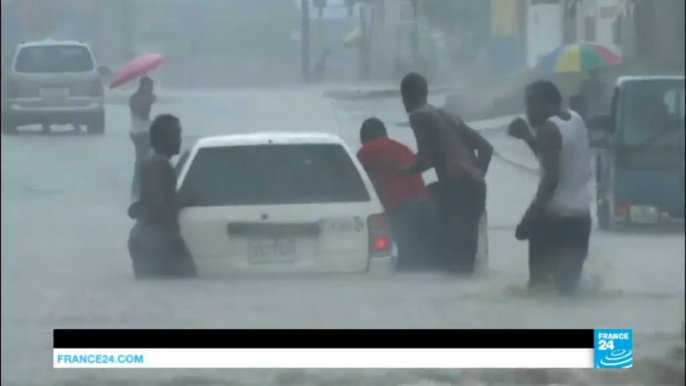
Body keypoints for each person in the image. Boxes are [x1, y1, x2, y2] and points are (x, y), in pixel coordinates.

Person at [395, 73, 493, 275]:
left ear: (405, 96)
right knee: (466, 259)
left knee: (452, 258)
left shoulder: (418, 116)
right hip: (475, 189)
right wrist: (476, 174)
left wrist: (400, 171)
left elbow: (425, 160)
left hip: (457, 190)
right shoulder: (447, 115)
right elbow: (486, 147)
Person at [507, 80, 592, 295]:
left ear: (544, 104)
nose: (527, 112)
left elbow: (551, 178)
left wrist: (529, 218)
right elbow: (554, 161)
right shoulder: (576, 120)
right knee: (568, 293)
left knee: (539, 291)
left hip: (552, 222)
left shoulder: (547, 129)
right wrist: (527, 137)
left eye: (529, 105)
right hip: (580, 220)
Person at [356, 117, 440, 270]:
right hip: (426, 206)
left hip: (401, 210)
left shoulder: (365, 152)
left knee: (406, 263)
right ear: (384, 133)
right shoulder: (403, 148)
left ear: (364, 138)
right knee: (427, 262)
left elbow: (356, 182)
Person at [127, 114, 197, 279]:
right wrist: (180, 201)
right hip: (155, 240)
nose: (179, 140)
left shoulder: (153, 161)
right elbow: (157, 205)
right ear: (162, 138)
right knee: (185, 279)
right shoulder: (158, 164)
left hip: (148, 238)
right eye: (176, 135)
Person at [129, 76, 157, 200]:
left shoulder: (139, 98)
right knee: (142, 161)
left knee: (144, 160)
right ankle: (138, 188)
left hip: (141, 132)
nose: (152, 89)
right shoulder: (137, 99)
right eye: (150, 86)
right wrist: (149, 101)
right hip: (141, 134)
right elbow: (143, 114)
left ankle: (139, 187)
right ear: (144, 86)